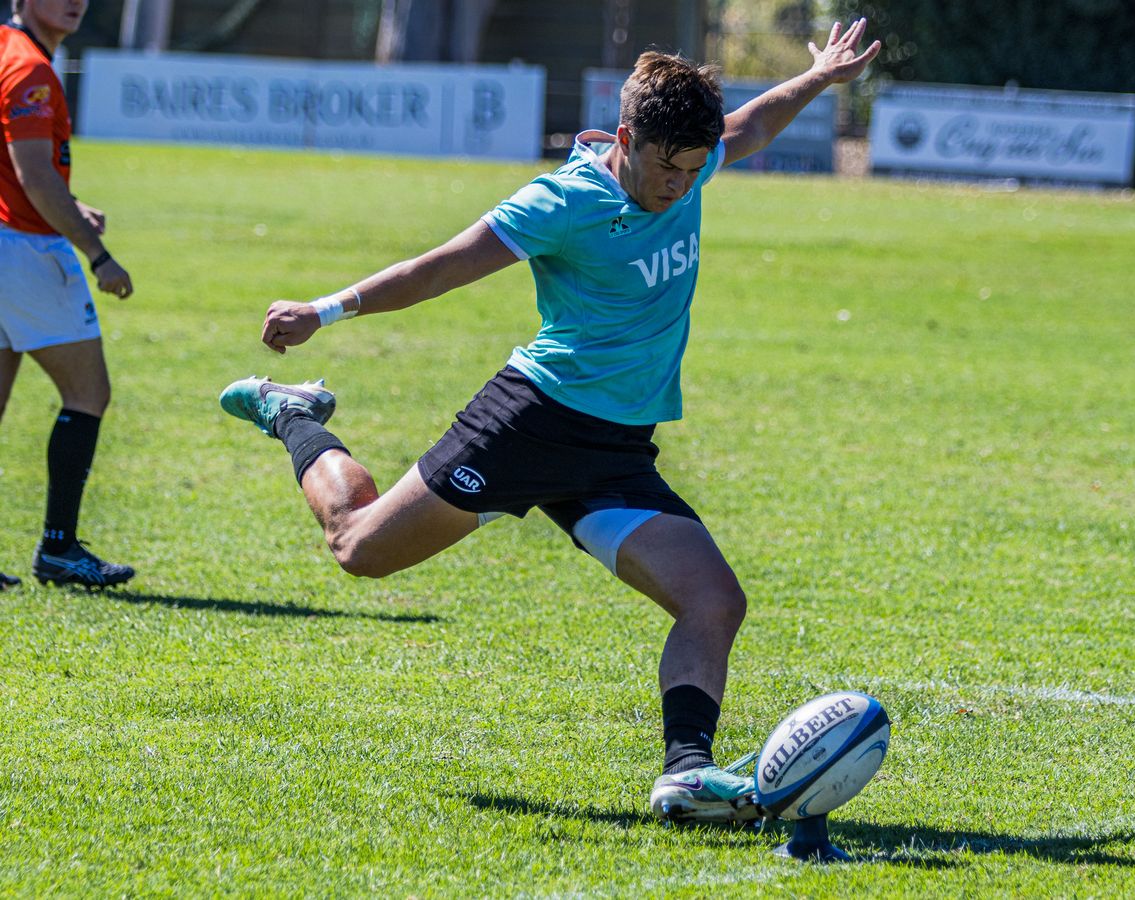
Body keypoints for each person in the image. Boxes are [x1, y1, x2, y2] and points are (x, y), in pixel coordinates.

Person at [221, 20, 879, 822]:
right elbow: (439, 268)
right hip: (529, 424)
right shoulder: (563, 201)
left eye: (693, 169)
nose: (680, 185)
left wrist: (817, 77)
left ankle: (686, 772)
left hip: (614, 450)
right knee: (358, 545)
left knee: (714, 599)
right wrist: (325, 311)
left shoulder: (695, 162)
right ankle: (293, 413)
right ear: (627, 139)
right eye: (667, 167)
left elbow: (751, 125)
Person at [1, 0, 136, 589]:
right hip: (25, 251)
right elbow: (33, 175)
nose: (75, 0)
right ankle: (58, 548)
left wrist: (71, 205)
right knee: (88, 392)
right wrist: (97, 255)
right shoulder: (30, 67)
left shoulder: (8, 48)